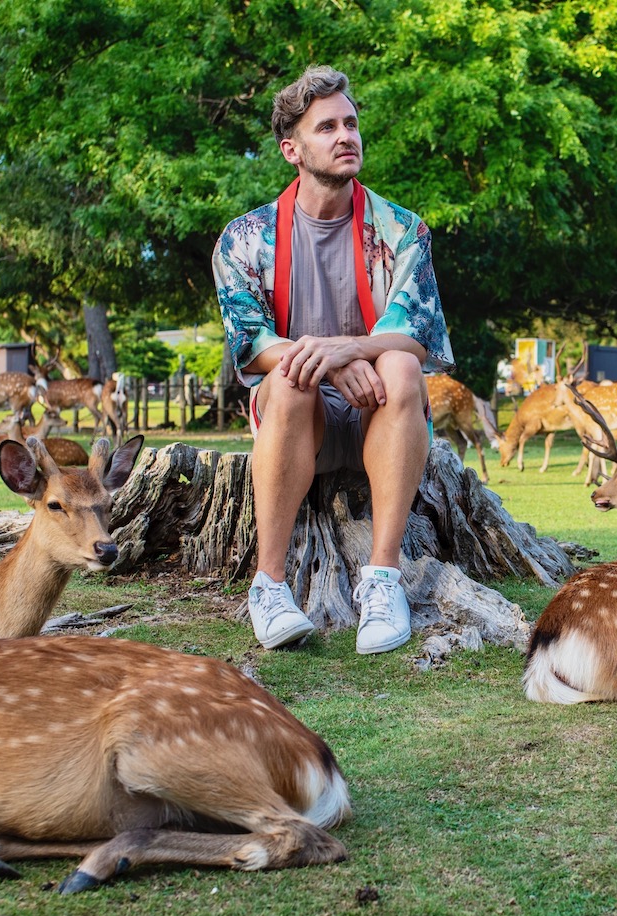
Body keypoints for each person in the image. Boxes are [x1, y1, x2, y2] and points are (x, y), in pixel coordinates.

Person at [213, 65, 453, 654]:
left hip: (380, 415)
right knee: (291, 379)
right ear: (291, 149)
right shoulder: (243, 239)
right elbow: (251, 343)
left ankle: (382, 579)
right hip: (299, 422)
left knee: (400, 366)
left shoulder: (401, 229)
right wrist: (329, 359)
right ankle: (268, 587)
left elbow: (419, 336)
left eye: (351, 123)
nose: (347, 135)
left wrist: (352, 348)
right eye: (327, 127)